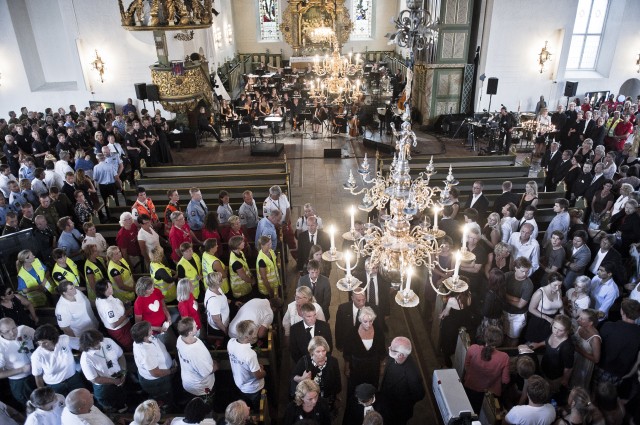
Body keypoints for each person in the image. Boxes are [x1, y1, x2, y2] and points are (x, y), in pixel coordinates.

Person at [525, 315, 575, 400]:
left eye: (560, 330)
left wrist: (565, 380)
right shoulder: (555, 334)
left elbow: (568, 367)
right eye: (554, 327)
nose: (556, 332)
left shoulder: (567, 347)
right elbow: (547, 341)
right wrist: (538, 344)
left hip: (554, 376)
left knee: (548, 393)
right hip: (545, 366)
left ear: (567, 331)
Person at [131, 320, 178, 410]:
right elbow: (155, 373)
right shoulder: (146, 352)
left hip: (161, 375)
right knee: (164, 395)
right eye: (150, 330)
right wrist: (171, 370)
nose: (152, 330)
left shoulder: (141, 338)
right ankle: (166, 407)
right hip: (157, 381)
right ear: (145, 336)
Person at [594, 298, 640, 387]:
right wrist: (630, 374)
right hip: (620, 375)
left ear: (622, 312)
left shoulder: (608, 326)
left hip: (600, 368)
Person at [463, 326, 510, 413]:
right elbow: (505, 380)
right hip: (489, 395)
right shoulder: (504, 357)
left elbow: (466, 367)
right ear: (499, 341)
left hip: (470, 388)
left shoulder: (473, 348)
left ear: (484, 337)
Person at [379, 336, 425, 425]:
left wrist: (404, 402)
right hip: (386, 402)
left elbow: (420, 394)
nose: (389, 349)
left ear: (400, 355)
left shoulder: (412, 374)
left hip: (398, 412)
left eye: (391, 349)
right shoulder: (393, 358)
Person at [78, 329, 127, 413]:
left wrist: (123, 372)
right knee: (110, 406)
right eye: (94, 345)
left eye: (98, 342)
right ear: (87, 346)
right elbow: (94, 379)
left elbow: (120, 355)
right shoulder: (86, 358)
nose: (98, 345)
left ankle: (123, 407)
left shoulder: (107, 341)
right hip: (105, 387)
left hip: (119, 377)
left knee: (121, 398)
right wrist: (114, 381)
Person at [343, 305, 385, 398]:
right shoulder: (352, 333)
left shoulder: (378, 332)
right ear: (360, 320)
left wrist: (382, 366)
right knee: (356, 392)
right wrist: (347, 368)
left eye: (371, 321)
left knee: (371, 391)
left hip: (373, 370)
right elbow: (347, 353)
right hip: (356, 370)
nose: (368, 324)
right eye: (365, 321)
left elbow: (382, 351)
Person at [32, 323, 85, 396]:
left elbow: (83, 346)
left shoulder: (64, 340)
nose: (42, 346)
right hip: (55, 386)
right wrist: (44, 394)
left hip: (73, 379)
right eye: (39, 343)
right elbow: (38, 376)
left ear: (53, 339)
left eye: (45, 343)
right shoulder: (37, 355)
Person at [290, 335, 341, 409]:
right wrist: (301, 378)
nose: (322, 354)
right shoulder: (304, 361)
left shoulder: (333, 361)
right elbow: (293, 377)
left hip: (327, 400)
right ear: (312, 352)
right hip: (310, 400)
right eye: (318, 351)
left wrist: (337, 397)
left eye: (324, 351)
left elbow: (337, 382)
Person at [227, 320, 266, 411]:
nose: (256, 332)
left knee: (245, 405)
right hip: (253, 388)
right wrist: (264, 371)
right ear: (247, 337)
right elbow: (257, 376)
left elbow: (242, 362)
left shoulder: (231, 342)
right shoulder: (250, 354)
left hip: (239, 382)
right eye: (255, 331)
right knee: (258, 408)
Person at [176, 317, 218, 400]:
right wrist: (216, 365)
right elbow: (206, 372)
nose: (197, 325)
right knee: (206, 403)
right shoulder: (196, 353)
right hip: (201, 387)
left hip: (188, 381)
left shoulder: (180, 338)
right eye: (195, 326)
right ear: (190, 332)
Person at [0, 317, 37, 405]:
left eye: (14, 328)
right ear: (1, 332)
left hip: (36, 373)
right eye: (7, 331)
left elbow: (40, 337)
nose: (12, 333)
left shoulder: (24, 329)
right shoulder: (1, 346)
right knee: (31, 405)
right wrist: (21, 369)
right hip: (20, 381)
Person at [134, 276, 174, 348]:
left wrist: (169, 317)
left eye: (153, 286)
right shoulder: (138, 303)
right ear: (144, 290)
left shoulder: (157, 291)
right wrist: (157, 329)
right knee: (162, 347)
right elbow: (139, 324)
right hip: (153, 333)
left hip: (165, 325)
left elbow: (163, 306)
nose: (153, 289)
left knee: (171, 344)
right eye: (150, 288)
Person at [524, 273, 564, 343]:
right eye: (555, 285)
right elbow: (531, 309)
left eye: (560, 285)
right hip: (540, 320)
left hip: (554, 320)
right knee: (533, 343)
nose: (557, 288)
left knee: (548, 342)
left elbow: (560, 305)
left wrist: (562, 315)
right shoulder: (540, 292)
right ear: (549, 282)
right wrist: (547, 318)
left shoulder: (559, 291)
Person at [503, 257, 534, 346]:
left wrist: (505, 297)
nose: (525, 274)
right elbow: (500, 292)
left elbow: (520, 305)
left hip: (518, 315)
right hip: (504, 310)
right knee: (503, 334)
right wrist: (515, 299)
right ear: (516, 268)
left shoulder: (528, 284)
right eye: (522, 271)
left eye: (527, 272)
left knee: (513, 337)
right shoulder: (507, 276)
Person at [94, 280, 133, 351]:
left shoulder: (102, 297)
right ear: (101, 291)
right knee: (129, 345)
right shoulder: (107, 306)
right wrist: (127, 313)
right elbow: (113, 324)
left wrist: (123, 305)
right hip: (121, 330)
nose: (110, 289)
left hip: (124, 326)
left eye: (110, 286)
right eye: (107, 288)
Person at [569, 309, 601, 390]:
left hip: (584, 364)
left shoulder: (595, 339)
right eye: (579, 317)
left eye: (582, 319)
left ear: (590, 323)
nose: (578, 320)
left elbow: (596, 359)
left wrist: (579, 350)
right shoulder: (580, 327)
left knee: (579, 386)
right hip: (574, 359)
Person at [438, 287, 473, 359]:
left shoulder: (452, 300)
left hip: (451, 323)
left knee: (447, 338)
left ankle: (446, 355)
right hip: (462, 322)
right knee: (454, 339)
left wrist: (442, 314)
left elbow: (447, 313)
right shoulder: (469, 296)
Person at [203, 271, 230, 340]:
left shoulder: (215, 289)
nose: (223, 280)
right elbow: (216, 319)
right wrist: (225, 330)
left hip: (224, 319)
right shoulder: (214, 301)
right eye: (221, 279)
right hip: (220, 327)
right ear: (217, 283)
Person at [228, 235, 254, 300]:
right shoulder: (236, 262)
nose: (244, 243)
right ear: (237, 245)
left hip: (245, 286)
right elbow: (244, 277)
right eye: (242, 242)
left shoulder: (240, 253)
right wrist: (252, 281)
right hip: (241, 290)